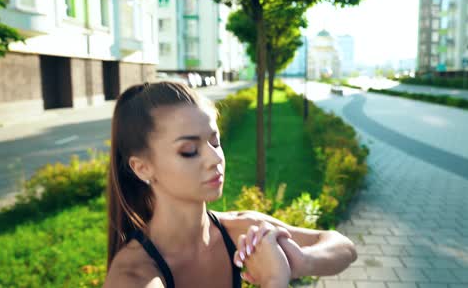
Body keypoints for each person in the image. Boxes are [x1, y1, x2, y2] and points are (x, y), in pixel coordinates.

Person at [103, 81, 357, 288]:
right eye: (190, 150)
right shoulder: (133, 277)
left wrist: (300, 261)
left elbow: (343, 246)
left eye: (215, 142)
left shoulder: (241, 230)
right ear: (142, 167)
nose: (215, 159)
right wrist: (274, 281)